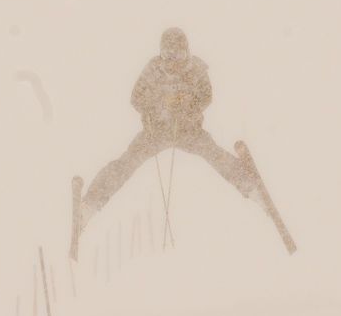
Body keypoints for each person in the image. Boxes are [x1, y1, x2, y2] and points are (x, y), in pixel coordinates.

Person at [77, 28, 266, 234]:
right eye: (167, 54)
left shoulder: (196, 68)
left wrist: (187, 107)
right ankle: (89, 205)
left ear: (187, 53)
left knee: (214, 154)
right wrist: (155, 108)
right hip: (157, 132)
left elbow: (206, 96)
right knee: (127, 162)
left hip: (188, 130)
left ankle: (251, 188)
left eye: (178, 55)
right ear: (161, 53)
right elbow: (136, 97)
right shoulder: (154, 69)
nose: (172, 61)